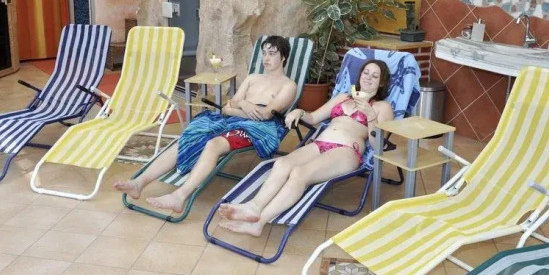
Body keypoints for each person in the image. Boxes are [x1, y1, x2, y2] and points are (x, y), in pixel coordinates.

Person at [113, 36, 297, 213]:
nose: (266, 58)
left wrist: (237, 107)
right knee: (189, 136)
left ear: (283, 57)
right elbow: (229, 106)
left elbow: (264, 115)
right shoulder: (252, 78)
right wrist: (243, 104)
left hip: (258, 129)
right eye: (264, 53)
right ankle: (139, 183)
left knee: (213, 144)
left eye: (272, 53)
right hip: (232, 120)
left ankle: (179, 196)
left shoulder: (288, 86)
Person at [218, 59, 394, 237]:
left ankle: (259, 223)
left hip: (346, 150)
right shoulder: (343, 98)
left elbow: (377, 145)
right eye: (366, 73)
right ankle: (254, 207)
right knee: (282, 164)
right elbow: (314, 117)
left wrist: (370, 115)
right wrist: (300, 112)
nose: (368, 78)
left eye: (375, 76)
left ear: (382, 82)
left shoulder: (382, 107)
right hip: (319, 143)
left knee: (300, 174)